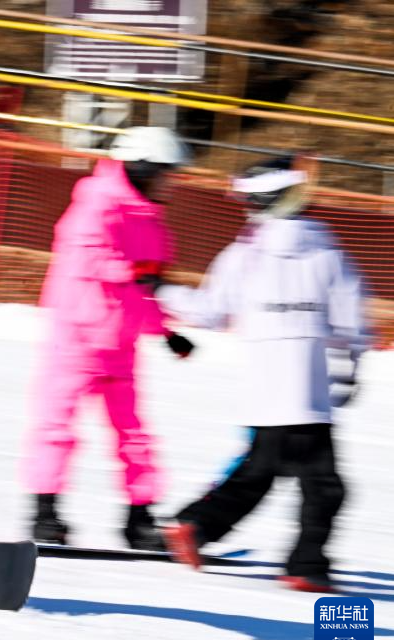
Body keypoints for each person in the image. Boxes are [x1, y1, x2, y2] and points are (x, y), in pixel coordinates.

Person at [153, 156, 369, 592]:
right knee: (322, 485)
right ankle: (306, 564)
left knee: (264, 471)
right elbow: (352, 322)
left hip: (266, 386)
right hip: (309, 388)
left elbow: (210, 311)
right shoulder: (328, 252)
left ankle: (198, 525)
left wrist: (160, 289)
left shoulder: (243, 255)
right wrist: (348, 370)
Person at [23, 126, 196, 549]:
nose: (169, 183)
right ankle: (45, 514)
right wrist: (137, 273)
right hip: (77, 338)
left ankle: (139, 519)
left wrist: (165, 331)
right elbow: (90, 256)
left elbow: (146, 286)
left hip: (121, 344)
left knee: (134, 434)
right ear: (140, 168)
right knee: (57, 427)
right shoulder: (95, 203)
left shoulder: (153, 221)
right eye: (164, 174)